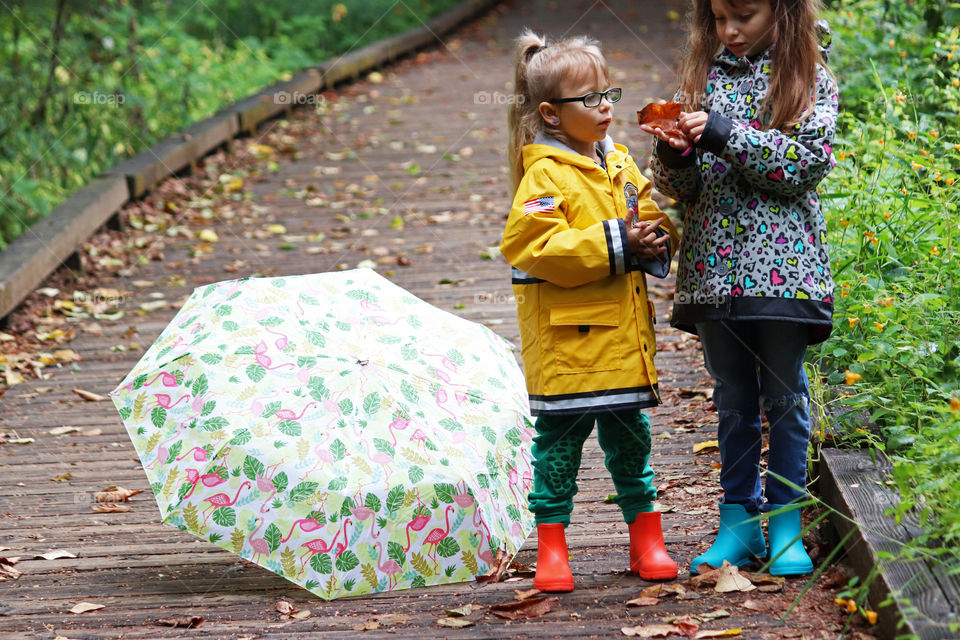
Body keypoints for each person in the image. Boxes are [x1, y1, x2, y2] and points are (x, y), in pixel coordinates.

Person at [641, 0, 838, 577]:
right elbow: (681, 189)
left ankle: (785, 523)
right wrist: (674, 152)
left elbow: (802, 165)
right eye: (720, 18)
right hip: (713, 273)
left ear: (782, 12)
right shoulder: (702, 79)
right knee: (732, 398)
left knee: (784, 397)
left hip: (784, 270)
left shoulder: (808, 80)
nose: (729, 30)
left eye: (744, 17)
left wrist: (725, 134)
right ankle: (738, 522)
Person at [500, 28, 681, 592]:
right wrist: (616, 243)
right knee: (559, 447)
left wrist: (654, 238)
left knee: (632, 441)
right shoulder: (544, 176)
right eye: (591, 98)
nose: (606, 106)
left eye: (610, 93)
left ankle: (645, 536)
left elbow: (648, 213)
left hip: (622, 342)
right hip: (569, 345)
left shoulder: (620, 162)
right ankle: (552, 545)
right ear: (552, 114)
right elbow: (534, 247)